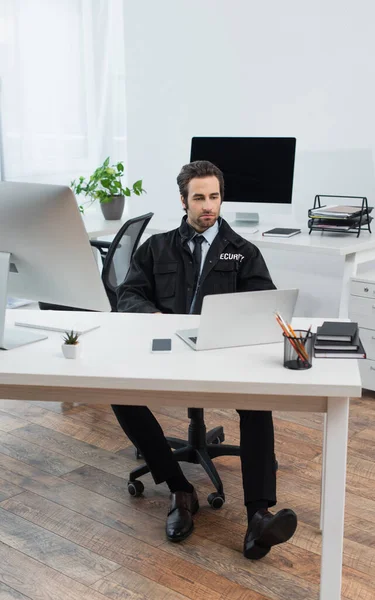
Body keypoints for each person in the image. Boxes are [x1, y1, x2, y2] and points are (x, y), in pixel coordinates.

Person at [113, 160, 297, 560]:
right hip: (168, 350)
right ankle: (180, 489)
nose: (208, 206)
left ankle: (259, 517)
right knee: (119, 392)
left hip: (221, 354)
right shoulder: (156, 247)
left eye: (214, 196)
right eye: (199, 198)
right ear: (183, 200)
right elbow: (128, 295)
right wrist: (155, 318)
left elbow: (265, 305)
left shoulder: (243, 252)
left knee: (256, 405)